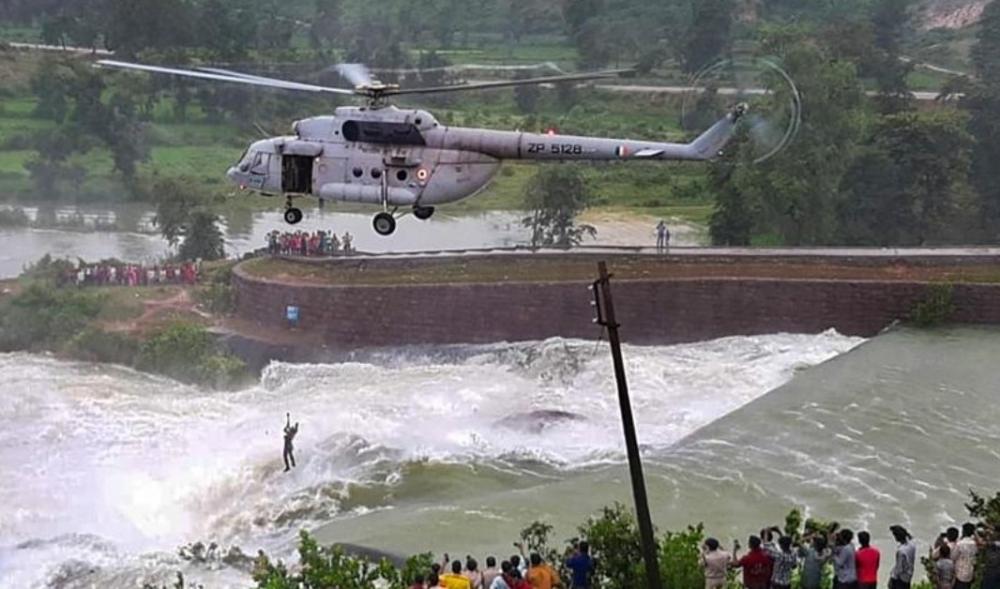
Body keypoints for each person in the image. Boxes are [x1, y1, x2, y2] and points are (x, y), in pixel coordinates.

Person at [889, 525, 917, 589]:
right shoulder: (912, 545)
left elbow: (899, 569)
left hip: (901, 579)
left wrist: (892, 578)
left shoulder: (901, 551)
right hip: (908, 576)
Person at [954, 523, 978, 589]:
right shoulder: (974, 544)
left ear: (963, 531)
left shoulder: (959, 544)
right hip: (970, 573)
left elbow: (953, 556)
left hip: (959, 573)